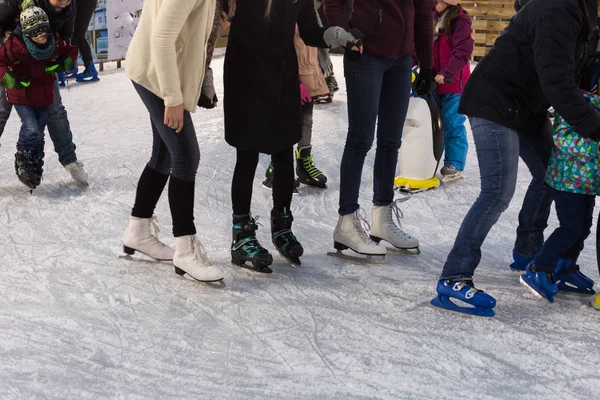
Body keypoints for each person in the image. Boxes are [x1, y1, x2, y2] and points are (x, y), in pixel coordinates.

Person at [430, 0, 600, 317]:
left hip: (527, 108)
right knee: (496, 192)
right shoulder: (558, 10)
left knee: (553, 176)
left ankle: (530, 254)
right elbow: (557, 81)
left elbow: (573, 70)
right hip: (496, 102)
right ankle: (453, 277)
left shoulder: (581, 14)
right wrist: (595, 128)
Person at [223, 0, 362, 273]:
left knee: (285, 150)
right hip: (245, 75)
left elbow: (310, 30)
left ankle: (282, 226)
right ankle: (241, 235)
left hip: (282, 75)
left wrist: (336, 36)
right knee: (247, 154)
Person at [121, 0, 224, 283]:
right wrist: (173, 98)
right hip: (155, 74)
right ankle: (185, 250)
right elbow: (162, 38)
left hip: (156, 69)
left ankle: (138, 231)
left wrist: (201, 83)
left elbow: (196, 35)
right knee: (186, 156)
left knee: (165, 155)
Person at [324, 0, 433, 259]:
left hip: (401, 60)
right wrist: (347, 35)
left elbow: (423, 13)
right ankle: (347, 222)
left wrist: (427, 64)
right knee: (360, 140)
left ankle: (382, 218)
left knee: (391, 142)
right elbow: (334, 3)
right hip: (365, 57)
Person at [520, 92, 599, 302]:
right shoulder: (574, 102)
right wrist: (595, 145)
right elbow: (563, 139)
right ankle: (539, 267)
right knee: (570, 228)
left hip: (588, 182)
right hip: (567, 179)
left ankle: (565, 267)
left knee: (583, 227)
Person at [0, 0, 88, 184]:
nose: (65, 3)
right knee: (1, 110)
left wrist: (63, 61)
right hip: (11, 61)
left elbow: (66, 38)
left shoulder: (67, 7)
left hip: (42, 66)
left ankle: (69, 160)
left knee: (54, 111)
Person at [263, 25, 329, 191]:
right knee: (284, 120)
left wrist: (322, 67)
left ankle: (304, 162)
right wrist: (292, 79)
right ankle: (276, 166)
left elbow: (316, 34)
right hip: (286, 73)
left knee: (306, 119)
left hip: (308, 68)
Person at [433, 0, 473, 182]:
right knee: (429, 122)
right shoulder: (430, 17)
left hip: (453, 81)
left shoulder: (460, 20)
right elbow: (419, 47)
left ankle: (454, 163)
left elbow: (462, 51)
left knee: (452, 121)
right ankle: (427, 159)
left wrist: (447, 72)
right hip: (432, 80)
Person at [70, 0, 99, 82]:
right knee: (73, 33)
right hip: (79, 3)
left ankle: (90, 68)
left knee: (79, 34)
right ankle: (72, 66)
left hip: (85, 3)